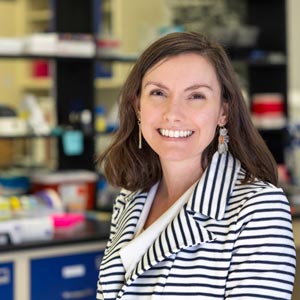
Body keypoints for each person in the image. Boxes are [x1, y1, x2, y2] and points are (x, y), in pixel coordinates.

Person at [96, 31, 296, 299]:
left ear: (223, 111)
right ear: (138, 106)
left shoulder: (259, 208)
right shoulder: (131, 197)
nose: (173, 114)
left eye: (196, 96)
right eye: (158, 93)